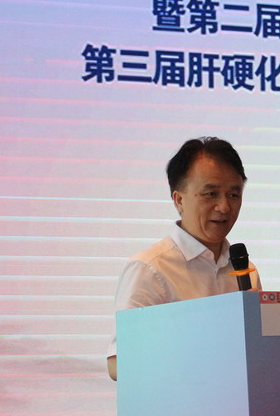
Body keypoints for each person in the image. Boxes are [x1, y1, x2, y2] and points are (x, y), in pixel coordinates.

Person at [106, 137, 260, 381]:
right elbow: (118, 365)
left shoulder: (245, 270)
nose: (224, 207)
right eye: (211, 194)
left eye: (234, 194)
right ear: (179, 200)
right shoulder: (150, 268)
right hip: (179, 404)